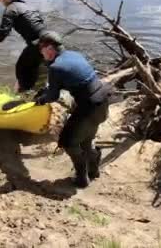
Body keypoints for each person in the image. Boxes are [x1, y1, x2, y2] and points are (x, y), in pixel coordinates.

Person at [33, 31, 111, 188]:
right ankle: (94, 170)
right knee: (86, 140)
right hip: (102, 101)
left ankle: (82, 178)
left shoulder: (56, 67)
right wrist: (49, 88)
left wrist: (41, 100)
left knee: (68, 142)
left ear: (49, 48)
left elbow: (53, 96)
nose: (40, 53)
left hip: (89, 107)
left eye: (41, 49)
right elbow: (77, 77)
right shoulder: (74, 54)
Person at [0, 0, 47, 93]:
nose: (1, 2)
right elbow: (40, 24)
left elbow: (3, 31)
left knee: (21, 69)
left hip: (37, 44)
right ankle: (43, 90)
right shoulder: (28, 6)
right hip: (49, 40)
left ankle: (25, 94)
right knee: (39, 67)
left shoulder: (11, 9)